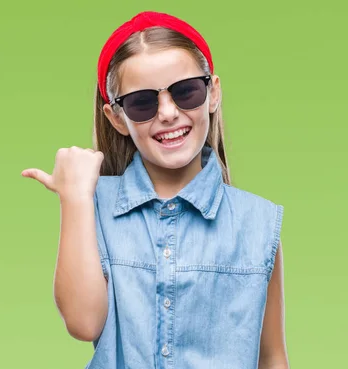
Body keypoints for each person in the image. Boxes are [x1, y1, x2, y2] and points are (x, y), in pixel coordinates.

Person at [21, 11, 289, 369]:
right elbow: (83, 323)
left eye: (186, 91)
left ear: (212, 94)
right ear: (117, 117)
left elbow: (271, 357)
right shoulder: (93, 205)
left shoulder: (258, 222)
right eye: (142, 102)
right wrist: (74, 198)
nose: (167, 113)